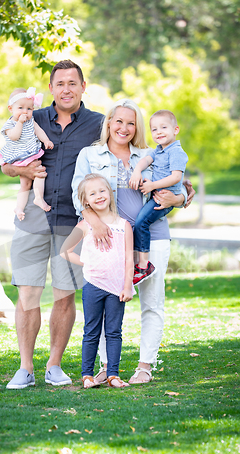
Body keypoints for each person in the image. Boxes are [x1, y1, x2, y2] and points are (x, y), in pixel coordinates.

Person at [72, 99, 195, 384]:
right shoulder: (90, 155)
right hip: (109, 240)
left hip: (154, 237)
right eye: (118, 121)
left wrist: (179, 198)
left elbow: (178, 187)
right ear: (109, 123)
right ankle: (106, 365)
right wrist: (96, 223)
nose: (124, 128)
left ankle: (145, 366)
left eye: (131, 123)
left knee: (152, 302)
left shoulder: (152, 154)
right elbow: (77, 197)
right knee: (104, 303)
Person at [2, 61, 104, 388]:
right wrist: (25, 172)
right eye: (60, 83)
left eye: (73, 83)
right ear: (50, 88)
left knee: (64, 296)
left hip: (72, 223)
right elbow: (5, 164)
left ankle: (54, 365)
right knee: (28, 294)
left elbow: (125, 156)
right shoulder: (32, 116)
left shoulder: (98, 124)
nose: (66, 89)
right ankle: (26, 368)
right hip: (32, 218)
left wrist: (180, 188)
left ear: (83, 87)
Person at [61, 174, 133, 388]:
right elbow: (65, 251)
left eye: (102, 191)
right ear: (86, 202)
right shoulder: (85, 225)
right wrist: (86, 263)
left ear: (110, 193)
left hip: (117, 287)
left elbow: (129, 258)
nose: (99, 196)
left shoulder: (124, 225)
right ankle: (87, 375)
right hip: (93, 284)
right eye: (92, 194)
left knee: (114, 331)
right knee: (91, 330)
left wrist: (128, 285)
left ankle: (113, 375)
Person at [129, 109, 188, 285]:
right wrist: (137, 171)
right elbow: (145, 160)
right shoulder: (159, 150)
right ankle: (141, 262)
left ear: (175, 129)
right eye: (154, 129)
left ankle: (143, 265)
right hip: (157, 193)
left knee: (141, 222)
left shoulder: (176, 152)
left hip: (164, 197)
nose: (159, 132)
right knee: (141, 222)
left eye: (164, 127)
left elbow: (176, 177)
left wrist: (152, 186)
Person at [0, 87, 54, 219]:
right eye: (21, 108)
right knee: (35, 176)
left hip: (30, 154)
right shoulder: (9, 125)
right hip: (20, 156)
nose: (25, 112)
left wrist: (46, 140)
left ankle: (23, 206)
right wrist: (20, 123)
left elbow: (38, 130)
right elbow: (14, 136)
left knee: (30, 181)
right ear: (11, 109)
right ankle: (31, 201)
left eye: (29, 109)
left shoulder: (30, 121)